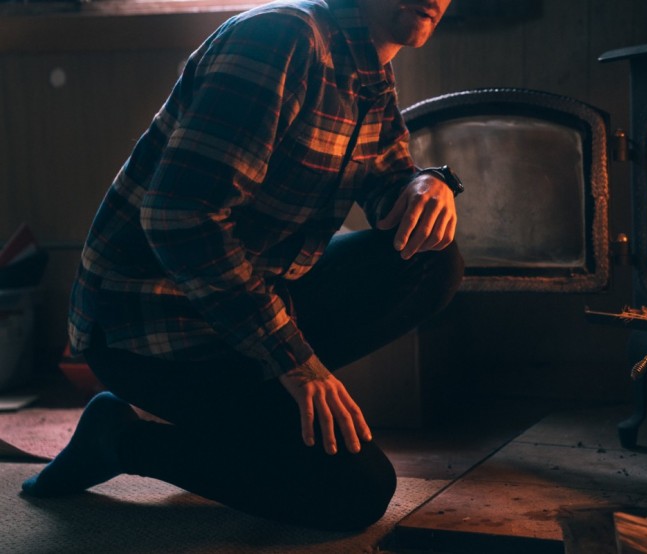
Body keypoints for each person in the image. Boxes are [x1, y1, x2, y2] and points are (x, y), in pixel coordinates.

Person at [22, 0, 463, 532]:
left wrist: (426, 182)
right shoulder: (282, 39)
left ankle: (248, 410)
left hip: (244, 302)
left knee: (430, 260)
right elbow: (178, 216)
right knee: (356, 491)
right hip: (146, 325)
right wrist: (295, 361)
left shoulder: (369, 67)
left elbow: (385, 176)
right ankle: (120, 439)